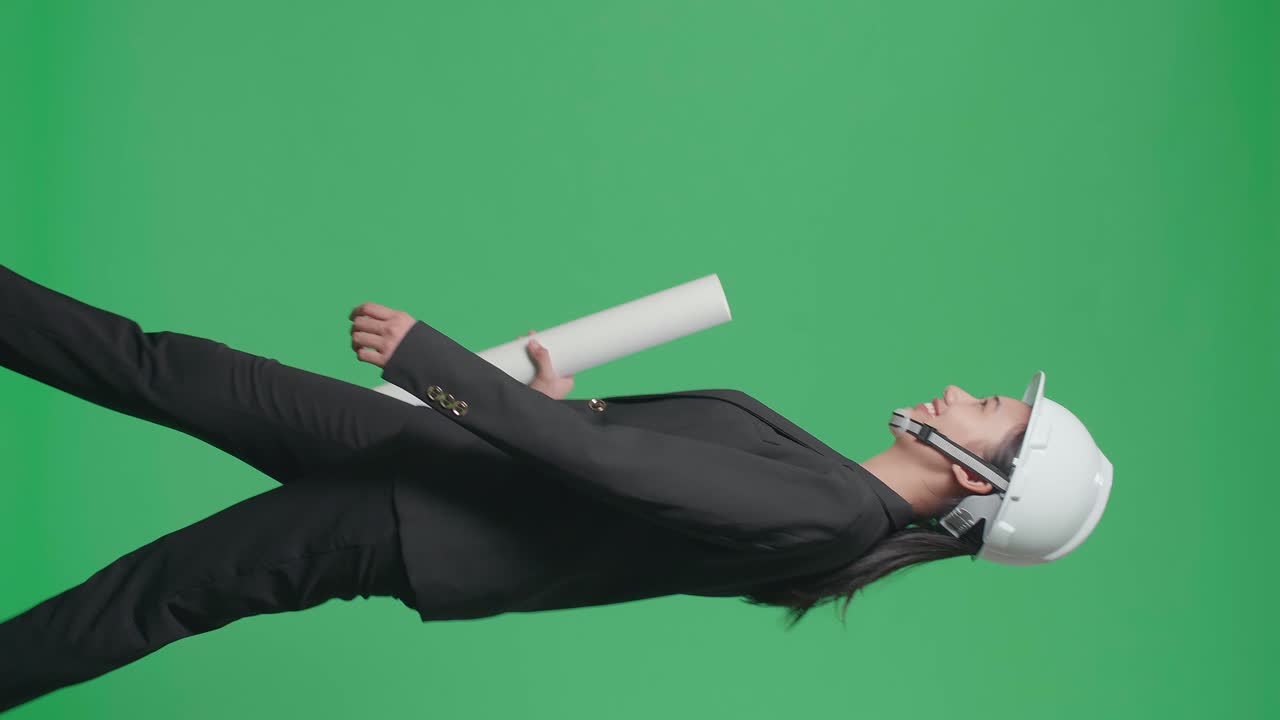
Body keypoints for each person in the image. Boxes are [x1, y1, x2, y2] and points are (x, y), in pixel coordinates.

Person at [0, 264, 1111, 712]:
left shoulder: (825, 513)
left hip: (408, 513)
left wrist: (433, 365)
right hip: (445, 457)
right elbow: (626, 467)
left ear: (977, 476)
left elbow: (608, 470)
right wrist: (557, 401)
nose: (965, 391)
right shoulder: (829, 486)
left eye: (992, 412)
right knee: (162, 365)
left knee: (149, 594)